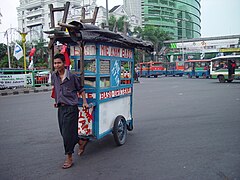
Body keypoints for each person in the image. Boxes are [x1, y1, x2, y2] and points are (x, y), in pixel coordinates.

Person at [51, 53, 88, 169]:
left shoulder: (72, 77)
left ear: (64, 64)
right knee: (64, 133)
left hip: (71, 108)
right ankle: (81, 142)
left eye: (59, 63)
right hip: (61, 108)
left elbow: (81, 89)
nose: (57, 65)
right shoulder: (54, 76)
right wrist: (57, 100)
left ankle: (69, 158)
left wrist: (85, 102)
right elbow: (56, 89)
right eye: (55, 63)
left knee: (67, 134)